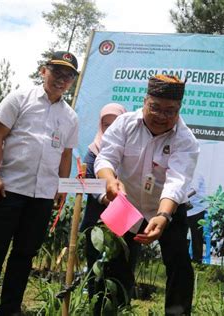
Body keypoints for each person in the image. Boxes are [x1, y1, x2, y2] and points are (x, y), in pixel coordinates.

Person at [0, 51, 79, 315]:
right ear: (43, 71)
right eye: (57, 72)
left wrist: (61, 186)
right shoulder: (19, 98)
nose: (61, 79)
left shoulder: (70, 117)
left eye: (68, 76)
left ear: (72, 82)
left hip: (42, 197)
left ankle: (9, 310)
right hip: (8, 189)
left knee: (24, 257)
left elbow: (66, 154)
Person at [95, 74, 199, 315]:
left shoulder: (185, 140)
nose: (162, 116)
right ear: (144, 101)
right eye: (156, 108)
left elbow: (177, 180)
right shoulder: (124, 124)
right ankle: (114, 310)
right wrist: (110, 180)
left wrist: (163, 215)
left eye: (170, 111)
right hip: (124, 201)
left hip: (168, 208)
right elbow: (106, 157)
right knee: (114, 261)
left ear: (179, 109)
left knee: (179, 266)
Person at [78, 103, 126, 313]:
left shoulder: (131, 149)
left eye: (115, 124)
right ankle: (94, 304)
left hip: (123, 213)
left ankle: (117, 306)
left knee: (120, 260)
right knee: (94, 258)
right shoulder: (94, 150)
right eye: (106, 125)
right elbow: (87, 180)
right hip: (96, 214)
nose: (109, 129)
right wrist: (103, 197)